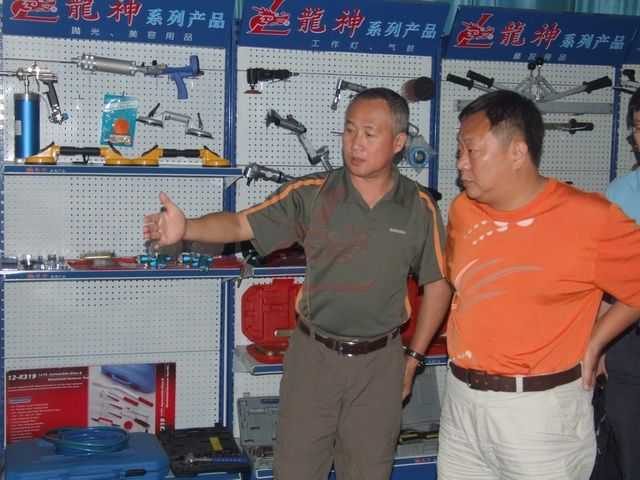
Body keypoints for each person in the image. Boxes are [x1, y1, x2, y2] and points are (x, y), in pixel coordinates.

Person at [143, 87, 452, 480]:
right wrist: (188, 227)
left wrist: (414, 360)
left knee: (369, 472)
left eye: (369, 133)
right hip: (313, 359)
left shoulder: (419, 207)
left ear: (398, 142)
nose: (355, 143)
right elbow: (240, 223)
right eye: (349, 130)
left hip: (380, 365)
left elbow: (438, 285)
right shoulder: (312, 194)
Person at [436, 89, 640, 480]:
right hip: (461, 403)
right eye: (459, 150)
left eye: (471, 150)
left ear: (517, 152)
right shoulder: (463, 210)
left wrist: (597, 341)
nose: (460, 163)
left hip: (539, 416)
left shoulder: (589, 217)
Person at [591, 87, 640, 480]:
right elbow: (605, 279)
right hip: (628, 340)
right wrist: (600, 342)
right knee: (628, 451)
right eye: (638, 127)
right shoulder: (621, 193)